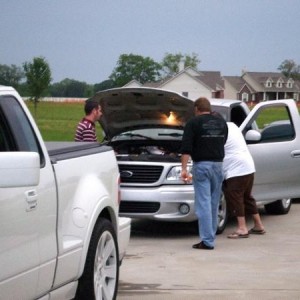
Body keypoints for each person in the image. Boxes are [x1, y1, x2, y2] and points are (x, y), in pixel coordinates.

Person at [180, 97, 228, 250]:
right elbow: (224, 141)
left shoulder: (193, 123)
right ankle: (210, 237)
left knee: (203, 204)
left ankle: (207, 241)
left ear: (196, 109)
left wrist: (184, 169)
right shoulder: (221, 123)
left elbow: (186, 148)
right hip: (218, 165)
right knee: (214, 203)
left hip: (202, 166)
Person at [222, 122, 265, 239]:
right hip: (248, 166)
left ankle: (242, 228)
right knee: (247, 197)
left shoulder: (220, 129)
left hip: (236, 169)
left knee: (235, 197)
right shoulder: (233, 125)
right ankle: (258, 225)